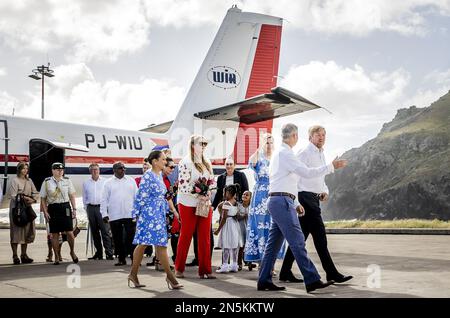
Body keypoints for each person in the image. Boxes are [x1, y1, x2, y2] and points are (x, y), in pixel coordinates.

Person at [257, 123, 347, 292]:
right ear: (295, 136)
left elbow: (285, 181)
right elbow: (306, 173)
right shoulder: (287, 154)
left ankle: (264, 281)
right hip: (282, 202)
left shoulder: (279, 153)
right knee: (298, 241)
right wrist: (331, 167)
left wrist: (296, 203)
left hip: (279, 200)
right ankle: (312, 280)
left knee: (273, 245)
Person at [279, 125, 353, 284]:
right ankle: (331, 273)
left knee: (299, 240)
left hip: (314, 199)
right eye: (318, 135)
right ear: (310, 137)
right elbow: (295, 178)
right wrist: (297, 202)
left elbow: (320, 179)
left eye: (324, 135)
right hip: (305, 199)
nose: (322, 137)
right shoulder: (304, 153)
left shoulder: (321, 153)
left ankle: (285, 272)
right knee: (320, 239)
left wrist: (325, 191)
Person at [128, 150, 183, 289]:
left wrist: (171, 211)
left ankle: (135, 275)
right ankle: (169, 278)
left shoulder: (159, 175)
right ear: (155, 161)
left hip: (158, 214)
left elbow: (164, 196)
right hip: (148, 215)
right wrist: (136, 215)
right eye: (163, 159)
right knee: (144, 245)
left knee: (158, 245)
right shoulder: (148, 176)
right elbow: (140, 197)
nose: (165, 162)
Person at [175, 135, 216, 279]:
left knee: (205, 237)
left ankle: (206, 270)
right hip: (187, 203)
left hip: (204, 203)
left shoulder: (207, 162)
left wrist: (208, 191)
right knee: (186, 235)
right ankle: (179, 269)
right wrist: (199, 195)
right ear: (193, 145)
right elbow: (184, 186)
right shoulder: (185, 162)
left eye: (205, 143)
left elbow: (212, 181)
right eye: (201, 143)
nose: (204, 145)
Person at [244, 133, 285, 265]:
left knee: (274, 227)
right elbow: (252, 162)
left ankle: (270, 263)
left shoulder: (277, 158)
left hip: (274, 193)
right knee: (260, 227)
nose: (269, 145)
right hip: (260, 196)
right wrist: (259, 147)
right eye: (267, 142)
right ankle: (263, 262)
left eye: (271, 142)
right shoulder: (258, 157)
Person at [40, 162, 78, 265]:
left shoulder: (67, 180)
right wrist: (45, 211)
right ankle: (56, 255)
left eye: (62, 170)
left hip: (65, 206)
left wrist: (74, 209)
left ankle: (72, 252)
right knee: (55, 234)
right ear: (53, 170)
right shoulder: (47, 182)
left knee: (70, 232)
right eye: (58, 170)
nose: (60, 171)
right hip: (53, 208)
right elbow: (43, 198)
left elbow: (72, 195)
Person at [101, 161, 138, 266]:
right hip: (114, 215)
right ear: (114, 170)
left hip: (129, 214)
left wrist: (137, 211)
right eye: (120, 168)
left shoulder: (131, 180)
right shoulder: (108, 183)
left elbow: (137, 197)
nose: (123, 170)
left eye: (124, 168)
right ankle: (121, 259)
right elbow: (104, 199)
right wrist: (104, 214)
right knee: (117, 239)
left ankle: (134, 258)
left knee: (131, 238)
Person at [9, 162, 39, 264]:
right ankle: (15, 256)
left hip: (27, 208)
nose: (25, 170)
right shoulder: (15, 180)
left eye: (26, 168)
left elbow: (35, 192)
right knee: (16, 232)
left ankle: (24, 255)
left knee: (26, 232)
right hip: (16, 209)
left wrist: (34, 200)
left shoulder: (29, 181)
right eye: (23, 168)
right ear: (19, 170)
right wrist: (26, 197)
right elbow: (13, 195)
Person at [83, 163, 114, 260]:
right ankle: (99, 253)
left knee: (105, 231)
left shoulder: (105, 181)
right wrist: (86, 209)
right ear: (90, 171)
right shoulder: (86, 183)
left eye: (96, 169)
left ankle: (109, 253)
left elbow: (109, 196)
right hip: (91, 208)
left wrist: (107, 210)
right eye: (92, 170)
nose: (94, 171)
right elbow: (84, 197)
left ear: (99, 170)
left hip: (102, 208)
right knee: (94, 232)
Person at [214, 184, 242, 273]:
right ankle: (234, 265)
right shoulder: (236, 202)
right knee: (234, 246)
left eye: (225, 193)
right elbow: (237, 215)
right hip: (235, 225)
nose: (224, 195)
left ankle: (225, 265)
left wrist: (218, 229)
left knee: (226, 245)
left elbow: (224, 218)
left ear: (229, 193)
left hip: (227, 225)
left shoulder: (226, 203)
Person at [163, 157, 180, 264]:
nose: (173, 169)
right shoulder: (160, 179)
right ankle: (159, 260)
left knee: (175, 235)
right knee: (163, 237)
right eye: (171, 167)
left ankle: (176, 258)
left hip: (174, 211)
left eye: (174, 167)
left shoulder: (174, 179)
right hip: (164, 212)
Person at [237, 190, 255, 271]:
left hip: (249, 227)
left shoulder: (252, 207)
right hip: (240, 227)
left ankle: (249, 263)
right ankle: (239, 263)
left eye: (247, 195)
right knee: (241, 246)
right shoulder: (238, 205)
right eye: (243, 194)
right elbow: (236, 216)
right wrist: (243, 216)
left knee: (249, 245)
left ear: (250, 197)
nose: (244, 195)